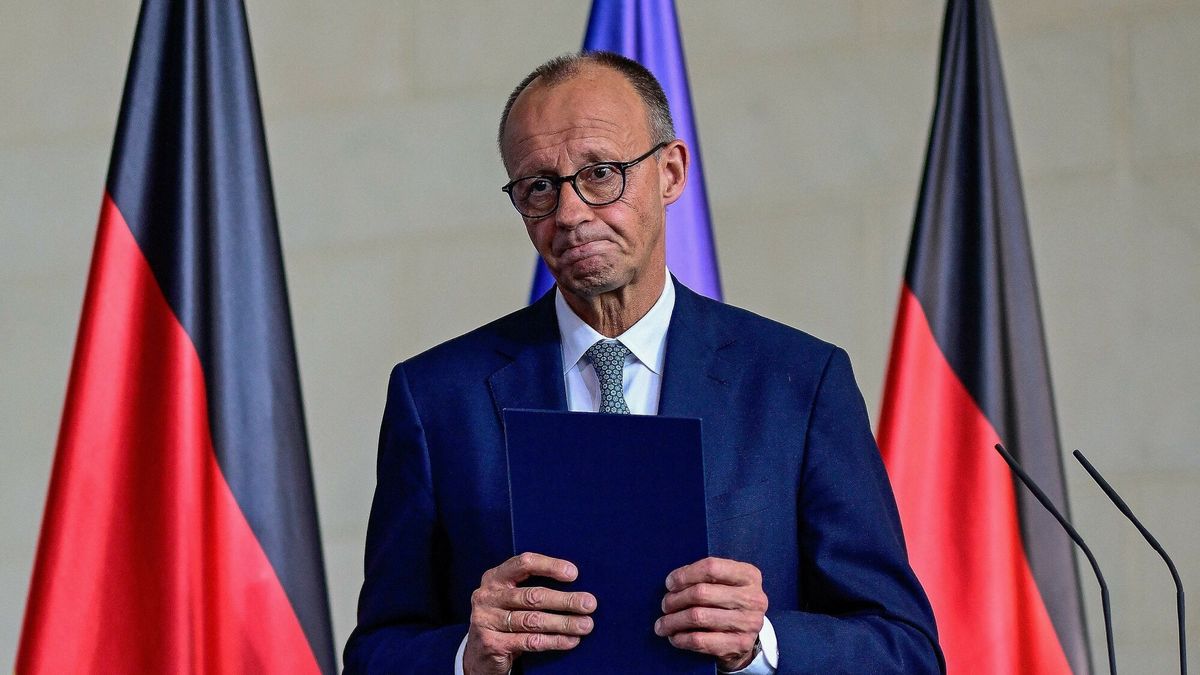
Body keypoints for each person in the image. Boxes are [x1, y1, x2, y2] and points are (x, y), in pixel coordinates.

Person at [344, 51, 943, 675]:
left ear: (671, 172)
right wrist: (466, 656)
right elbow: (375, 655)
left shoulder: (798, 384)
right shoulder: (437, 399)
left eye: (601, 173)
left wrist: (762, 644)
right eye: (539, 187)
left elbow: (905, 651)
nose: (570, 213)